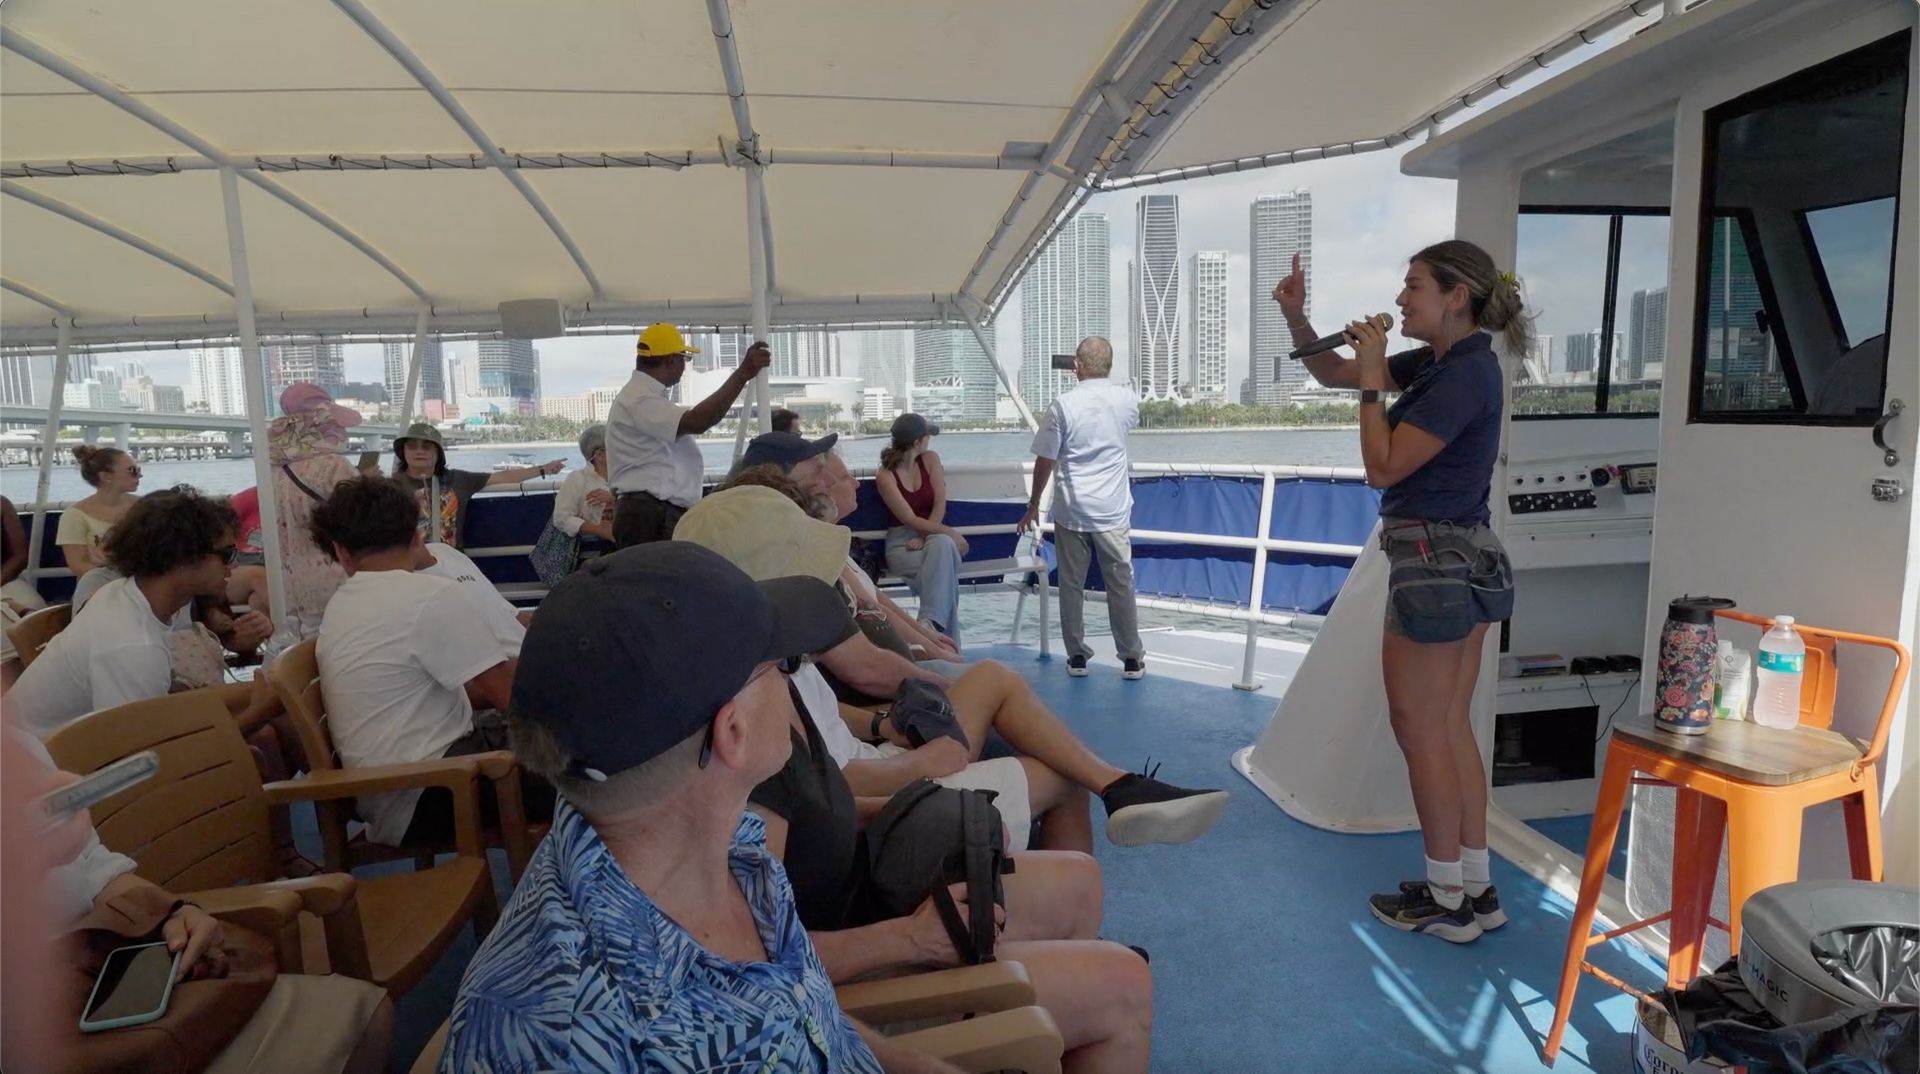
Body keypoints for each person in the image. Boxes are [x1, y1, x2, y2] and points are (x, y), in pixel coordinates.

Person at [444, 542, 958, 1073]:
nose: (791, 679)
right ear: (731, 731)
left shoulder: (734, 844)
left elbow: (804, 1016)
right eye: (783, 664)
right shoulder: (564, 1037)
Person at [678, 485, 1230, 854]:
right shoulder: (750, 691)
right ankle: (1073, 898)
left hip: (881, 756)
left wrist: (881, 728)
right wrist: (919, 760)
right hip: (881, 792)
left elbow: (823, 719)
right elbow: (828, 787)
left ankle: (1118, 786)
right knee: (1060, 777)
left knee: (990, 677)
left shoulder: (772, 655)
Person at [1274, 242, 1522, 944]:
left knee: (1422, 731)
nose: (1402, 297)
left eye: (1413, 286)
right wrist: (1298, 319)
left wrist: (1374, 383)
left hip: (1433, 561)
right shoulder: (1448, 362)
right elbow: (1331, 370)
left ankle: (1447, 900)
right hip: (1466, 555)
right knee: (1449, 727)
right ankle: (1474, 887)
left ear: (1456, 297)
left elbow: (1381, 467)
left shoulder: (1464, 375)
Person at [8, 731, 393, 1074]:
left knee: (363, 1012)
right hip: (40, 1031)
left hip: (103, 978)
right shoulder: (126, 649)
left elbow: (94, 865)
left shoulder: (17, 747)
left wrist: (173, 911)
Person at [309, 476, 552, 849]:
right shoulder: (430, 595)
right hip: (433, 791)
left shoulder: (343, 603)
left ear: (341, 551)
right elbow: (517, 700)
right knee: (605, 768)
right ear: (416, 534)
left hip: (393, 789)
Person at [7, 486, 238, 738]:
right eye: (227, 554)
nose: (233, 564)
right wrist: (257, 712)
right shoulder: (133, 644)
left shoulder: (121, 593)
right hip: (48, 768)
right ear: (183, 557)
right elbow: (134, 754)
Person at [728, 461, 962, 665]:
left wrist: (927, 642)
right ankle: (936, 627)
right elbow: (864, 669)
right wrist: (930, 658)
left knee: (943, 545)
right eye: (824, 478)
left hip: (901, 666)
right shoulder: (810, 577)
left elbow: (876, 603)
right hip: (898, 675)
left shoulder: (831, 552)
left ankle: (934, 626)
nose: (828, 483)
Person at [1018, 337, 1146, 681]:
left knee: (1071, 585)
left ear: (1077, 365)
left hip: (1072, 511)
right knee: (1120, 583)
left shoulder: (1062, 405)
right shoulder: (1127, 400)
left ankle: (1077, 656)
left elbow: (1046, 460)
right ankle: (1131, 657)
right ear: (1110, 365)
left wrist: (1033, 505)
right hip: (1112, 511)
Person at [606, 322, 771, 547]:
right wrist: (741, 375)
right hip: (650, 515)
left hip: (649, 512)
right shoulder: (639, 400)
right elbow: (697, 421)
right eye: (684, 358)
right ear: (671, 360)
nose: (684, 366)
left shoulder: (640, 397)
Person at [269, 384, 364, 637]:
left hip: (288, 582)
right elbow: (361, 515)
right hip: (335, 576)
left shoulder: (274, 468)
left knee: (304, 653)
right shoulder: (333, 465)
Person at [392, 422, 562, 549]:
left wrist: (543, 469)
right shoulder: (390, 486)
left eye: (427, 447)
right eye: (412, 446)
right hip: (407, 566)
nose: (419, 451)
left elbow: (504, 476)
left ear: (438, 453)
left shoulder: (458, 480)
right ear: (403, 451)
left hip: (452, 563)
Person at [875, 413, 968, 645]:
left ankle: (929, 625)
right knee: (944, 565)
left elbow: (940, 503)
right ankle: (946, 645)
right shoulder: (885, 476)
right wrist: (951, 533)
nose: (929, 441)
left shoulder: (931, 460)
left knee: (942, 552)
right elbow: (907, 517)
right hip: (902, 546)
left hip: (933, 537)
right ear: (918, 441)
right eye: (927, 436)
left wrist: (927, 535)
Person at [56, 446, 140, 602]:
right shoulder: (74, 516)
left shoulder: (143, 506)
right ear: (106, 476)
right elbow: (77, 565)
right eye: (132, 470)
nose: (139, 475)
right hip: (99, 591)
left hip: (144, 585)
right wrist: (123, 580)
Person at [549, 422, 615, 543]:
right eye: (614, 446)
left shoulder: (623, 478)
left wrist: (613, 499)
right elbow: (561, 518)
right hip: (591, 551)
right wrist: (598, 530)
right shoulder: (577, 479)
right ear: (599, 454)